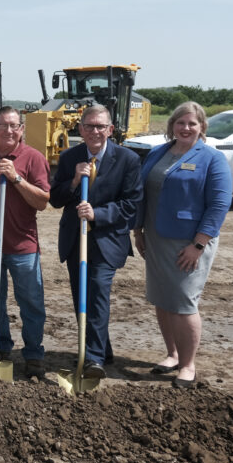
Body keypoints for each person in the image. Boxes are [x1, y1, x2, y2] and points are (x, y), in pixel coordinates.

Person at [132, 102, 232, 388]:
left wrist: (198, 245)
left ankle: (188, 365)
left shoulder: (212, 159)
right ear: (172, 125)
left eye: (192, 123)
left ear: (202, 127)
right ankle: (173, 354)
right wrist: (138, 231)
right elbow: (143, 194)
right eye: (180, 123)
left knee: (183, 302)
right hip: (156, 237)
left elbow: (219, 205)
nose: (186, 128)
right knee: (162, 298)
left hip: (189, 243)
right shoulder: (157, 153)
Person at [50, 104, 142, 379]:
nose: (94, 131)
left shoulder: (127, 159)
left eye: (100, 126)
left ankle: (92, 359)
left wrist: (97, 214)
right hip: (75, 239)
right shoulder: (69, 157)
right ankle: (102, 349)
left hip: (107, 239)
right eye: (89, 126)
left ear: (110, 129)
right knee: (81, 295)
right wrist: (74, 181)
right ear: (80, 129)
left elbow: (131, 204)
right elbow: (55, 199)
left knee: (98, 292)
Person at [0, 106, 51, 379]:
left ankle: (34, 354)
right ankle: (1, 349)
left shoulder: (33, 158)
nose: (9, 130)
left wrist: (16, 178)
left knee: (31, 302)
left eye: (14, 125)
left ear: (22, 129)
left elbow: (42, 201)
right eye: (3, 125)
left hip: (23, 247)